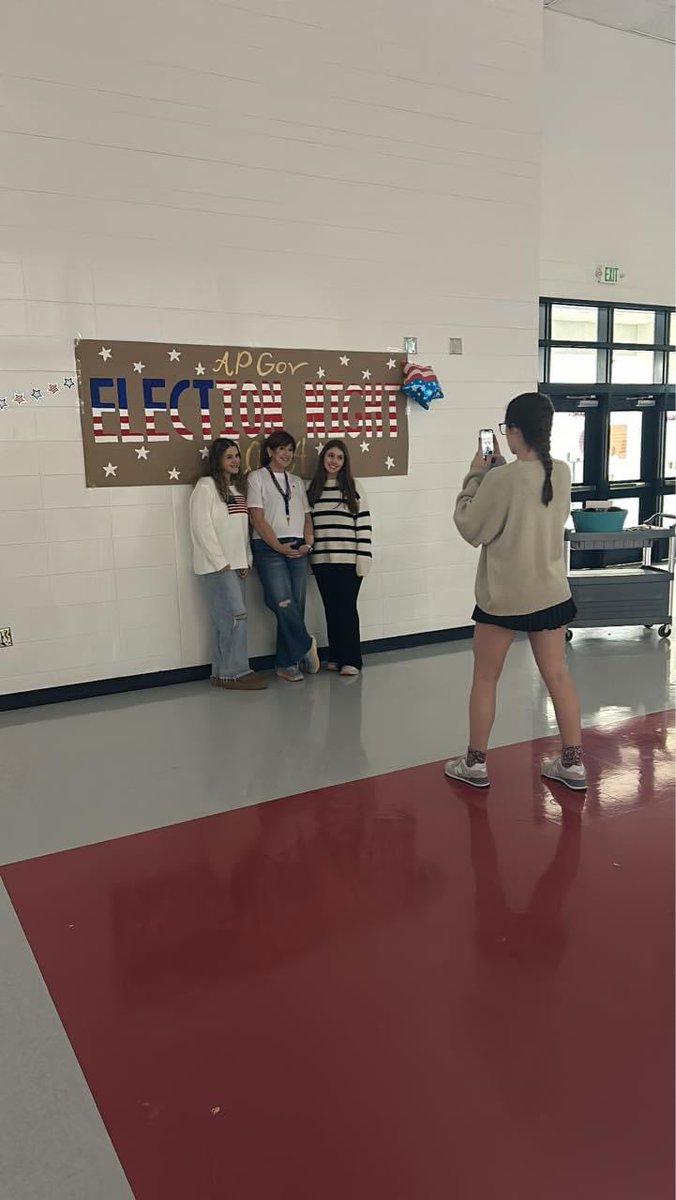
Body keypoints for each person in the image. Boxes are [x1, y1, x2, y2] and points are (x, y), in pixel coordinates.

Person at [445, 391, 586, 791]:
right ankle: (573, 763)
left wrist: (476, 475)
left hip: (504, 596)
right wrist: (497, 476)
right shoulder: (560, 471)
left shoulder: (498, 478)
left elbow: (471, 527)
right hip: (550, 593)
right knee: (558, 676)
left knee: (486, 678)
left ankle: (475, 764)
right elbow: (529, 500)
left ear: (515, 430)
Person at [189, 437, 267, 691]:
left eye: (237, 456)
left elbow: (241, 529)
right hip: (216, 567)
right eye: (229, 456)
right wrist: (221, 562)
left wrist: (245, 559)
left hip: (236, 566)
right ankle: (234, 671)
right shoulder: (206, 486)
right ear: (218, 460)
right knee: (235, 617)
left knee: (230, 619)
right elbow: (202, 527)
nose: (235, 461)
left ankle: (223, 672)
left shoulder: (235, 489)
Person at [247, 430, 320, 683]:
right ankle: (306, 643)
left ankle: (286, 663)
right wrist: (278, 546)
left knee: (296, 603)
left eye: (290, 449)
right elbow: (257, 517)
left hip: (299, 547)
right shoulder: (256, 478)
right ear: (270, 452)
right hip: (269, 549)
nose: (287, 454)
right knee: (281, 601)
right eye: (281, 449)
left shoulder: (297, 481)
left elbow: (306, 516)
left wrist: (308, 543)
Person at [307, 440, 372, 676]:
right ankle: (335, 655)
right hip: (323, 562)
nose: (334, 461)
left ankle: (351, 659)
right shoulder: (313, 490)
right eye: (330, 456)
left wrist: (363, 558)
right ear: (323, 458)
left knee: (346, 609)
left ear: (345, 463)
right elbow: (309, 527)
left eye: (339, 457)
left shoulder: (354, 487)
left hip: (348, 561)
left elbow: (363, 524)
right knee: (331, 609)